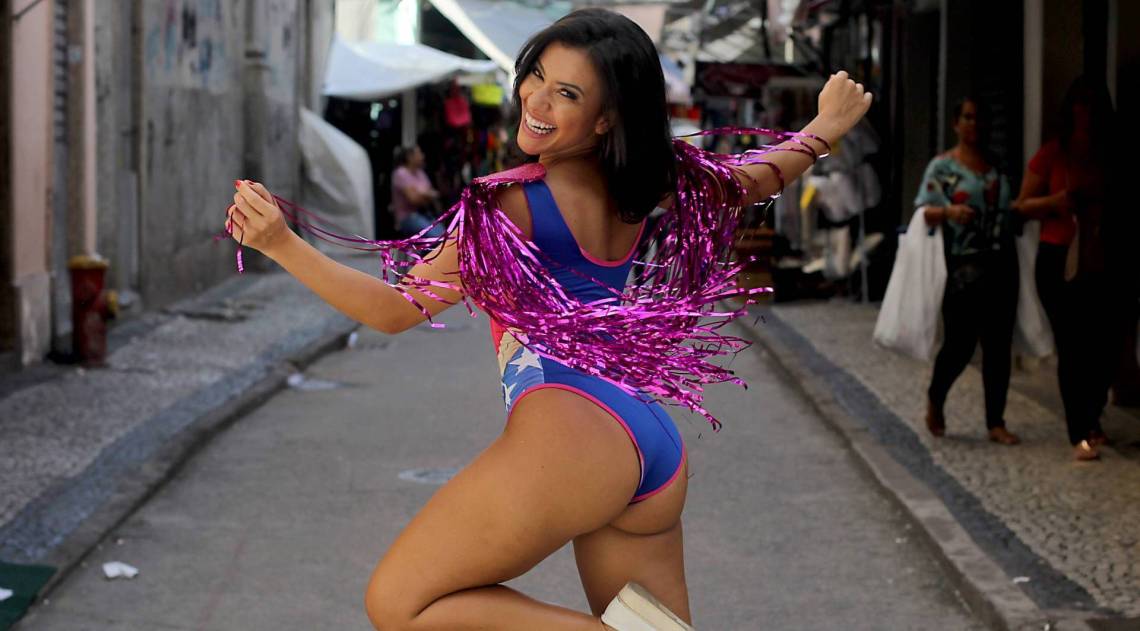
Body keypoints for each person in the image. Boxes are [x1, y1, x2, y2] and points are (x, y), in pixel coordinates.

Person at [225, 9, 870, 630]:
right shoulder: (647, 183)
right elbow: (755, 176)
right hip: (647, 443)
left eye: (565, 93)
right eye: (535, 76)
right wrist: (823, 129)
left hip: (572, 435)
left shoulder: (510, 202)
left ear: (603, 119)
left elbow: (396, 309)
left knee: (401, 603)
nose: (535, 100)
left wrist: (282, 243)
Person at [1012, 77, 1128, 461]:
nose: (1085, 112)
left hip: (1105, 258)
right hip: (1059, 257)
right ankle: (1080, 429)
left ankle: (1092, 417)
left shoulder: (1111, 156)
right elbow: (1021, 206)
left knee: (1106, 344)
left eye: (1092, 104)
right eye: (1080, 103)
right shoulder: (1053, 155)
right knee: (1073, 345)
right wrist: (1058, 201)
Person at [918, 97, 1021, 447]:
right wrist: (950, 213)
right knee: (960, 345)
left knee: (998, 346)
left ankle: (996, 420)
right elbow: (924, 212)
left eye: (980, 119)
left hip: (1002, 262)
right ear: (956, 123)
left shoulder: (998, 167)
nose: (974, 125)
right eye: (968, 118)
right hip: (963, 264)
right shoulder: (943, 167)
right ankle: (937, 395)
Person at [391, 145, 445, 239]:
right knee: (435, 238)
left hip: (425, 214)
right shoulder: (401, 173)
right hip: (408, 217)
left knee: (445, 237)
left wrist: (422, 194)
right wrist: (426, 195)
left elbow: (433, 194)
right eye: (419, 153)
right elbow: (414, 199)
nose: (422, 156)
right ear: (409, 157)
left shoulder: (420, 173)